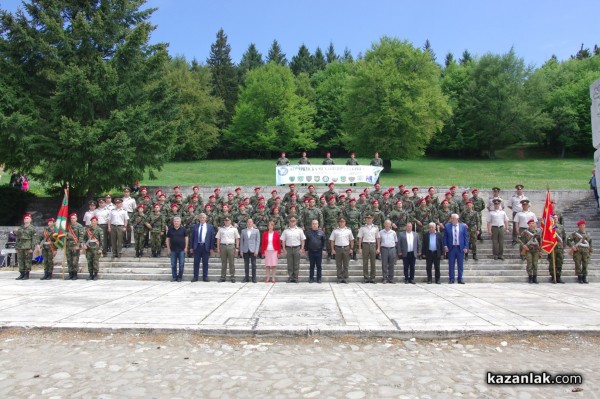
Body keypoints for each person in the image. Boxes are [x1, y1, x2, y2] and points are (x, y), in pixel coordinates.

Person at [442, 214, 469, 284]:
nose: (451, 219)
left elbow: (466, 237)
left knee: (460, 265)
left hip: (460, 248)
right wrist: (445, 246)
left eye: (453, 218)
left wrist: (466, 247)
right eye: (451, 218)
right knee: (451, 264)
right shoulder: (447, 226)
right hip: (451, 248)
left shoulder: (463, 226)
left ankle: (460, 278)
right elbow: (445, 237)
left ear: (457, 219)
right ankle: (451, 279)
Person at [190, 213, 215, 282]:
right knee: (196, 262)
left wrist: (211, 248)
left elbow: (212, 238)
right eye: (201, 217)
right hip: (197, 246)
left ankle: (205, 277)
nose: (202, 219)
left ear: (206, 218)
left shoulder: (210, 227)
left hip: (205, 246)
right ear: (199, 218)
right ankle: (195, 277)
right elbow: (192, 237)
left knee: (205, 262)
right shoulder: (195, 226)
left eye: (203, 217)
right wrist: (191, 247)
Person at [281, 216, 306, 283]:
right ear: (289, 221)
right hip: (288, 248)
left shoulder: (300, 230)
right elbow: (283, 240)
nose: (292, 222)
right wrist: (284, 249)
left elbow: (303, 240)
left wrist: (302, 249)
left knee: (296, 263)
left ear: (296, 221)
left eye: (294, 221)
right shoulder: (285, 231)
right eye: (291, 221)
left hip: (297, 248)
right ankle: (290, 277)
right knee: (289, 263)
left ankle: (295, 277)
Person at [329, 217, 354, 284]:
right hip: (338, 248)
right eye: (340, 221)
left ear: (345, 222)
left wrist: (351, 248)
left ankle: (345, 278)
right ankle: (339, 278)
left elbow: (351, 240)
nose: (342, 222)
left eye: (343, 221)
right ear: (338, 222)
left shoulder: (348, 230)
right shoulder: (335, 230)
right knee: (338, 264)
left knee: (346, 264)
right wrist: (332, 249)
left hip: (346, 248)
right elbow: (332, 240)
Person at [215, 216, 240, 283]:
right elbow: (218, 239)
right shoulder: (221, 229)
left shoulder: (234, 229)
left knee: (231, 262)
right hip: (223, 246)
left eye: (228, 220)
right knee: (223, 263)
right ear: (224, 221)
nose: (227, 222)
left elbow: (237, 239)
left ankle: (232, 276)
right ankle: (223, 277)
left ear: (230, 221)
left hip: (231, 246)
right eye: (225, 221)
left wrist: (237, 248)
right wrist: (218, 248)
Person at [568, 219, 593, 284]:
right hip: (578, 252)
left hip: (586, 252)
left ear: (585, 226)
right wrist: (572, 246)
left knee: (585, 264)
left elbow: (590, 242)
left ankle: (584, 277)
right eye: (581, 225)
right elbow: (568, 240)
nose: (582, 226)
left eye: (583, 225)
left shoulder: (587, 234)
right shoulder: (575, 234)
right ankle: (579, 278)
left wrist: (591, 250)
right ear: (578, 226)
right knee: (578, 265)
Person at [358, 213, 380, 284]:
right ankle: (366, 278)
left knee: (373, 262)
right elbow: (360, 238)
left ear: (372, 219)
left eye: (370, 218)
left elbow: (377, 238)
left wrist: (378, 248)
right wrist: (360, 248)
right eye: (367, 218)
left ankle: (373, 278)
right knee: (365, 262)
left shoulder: (375, 228)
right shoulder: (362, 228)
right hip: (365, 245)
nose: (369, 220)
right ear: (366, 219)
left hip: (373, 245)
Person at [15, 213, 38, 280]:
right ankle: (21, 274)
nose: (26, 219)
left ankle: (26, 274)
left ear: (30, 219)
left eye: (27, 218)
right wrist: (16, 247)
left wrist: (32, 248)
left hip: (28, 246)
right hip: (20, 246)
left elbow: (34, 239)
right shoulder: (21, 228)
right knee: (20, 260)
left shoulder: (32, 228)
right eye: (25, 218)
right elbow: (18, 238)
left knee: (27, 260)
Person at [166, 216, 188, 282]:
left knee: (181, 264)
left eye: (178, 221)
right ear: (173, 222)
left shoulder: (183, 229)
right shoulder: (170, 230)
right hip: (173, 250)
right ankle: (174, 277)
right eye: (175, 221)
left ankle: (180, 277)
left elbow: (186, 238)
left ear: (180, 222)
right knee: (173, 264)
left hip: (181, 249)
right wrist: (168, 248)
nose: (176, 223)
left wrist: (186, 247)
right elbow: (167, 239)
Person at [519, 219, 542, 284]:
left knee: (535, 264)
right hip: (528, 250)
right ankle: (530, 277)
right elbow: (518, 239)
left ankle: (535, 277)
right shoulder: (525, 232)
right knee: (529, 263)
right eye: (530, 223)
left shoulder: (538, 232)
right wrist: (523, 245)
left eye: (533, 223)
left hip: (536, 250)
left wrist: (540, 250)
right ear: (528, 225)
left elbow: (540, 241)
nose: (532, 224)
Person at [305, 219, 326, 283]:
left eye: (316, 224)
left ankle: (319, 279)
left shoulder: (321, 233)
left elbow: (324, 241)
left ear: (318, 224)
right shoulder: (308, 232)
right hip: (311, 251)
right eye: (313, 224)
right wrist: (306, 250)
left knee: (319, 266)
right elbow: (306, 242)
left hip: (319, 251)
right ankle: (311, 278)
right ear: (311, 225)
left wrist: (324, 249)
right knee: (311, 266)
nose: (314, 225)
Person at [82, 216, 103, 281]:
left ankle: (96, 274)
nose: (93, 222)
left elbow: (102, 240)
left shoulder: (99, 229)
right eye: (92, 221)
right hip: (89, 248)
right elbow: (83, 239)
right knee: (89, 261)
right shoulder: (87, 230)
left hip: (96, 248)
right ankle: (90, 274)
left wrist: (100, 249)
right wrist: (84, 245)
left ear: (97, 222)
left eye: (94, 221)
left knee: (95, 261)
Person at [240, 219, 260, 283]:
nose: (249, 223)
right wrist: (241, 251)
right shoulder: (243, 231)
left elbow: (258, 241)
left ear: (252, 223)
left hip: (253, 250)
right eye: (248, 222)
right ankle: (246, 278)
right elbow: (241, 242)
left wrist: (256, 250)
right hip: (245, 250)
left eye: (250, 222)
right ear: (246, 223)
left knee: (253, 264)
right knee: (246, 265)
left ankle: (254, 278)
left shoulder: (256, 231)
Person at [65, 213, 84, 280]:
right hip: (68, 245)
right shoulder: (67, 226)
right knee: (69, 260)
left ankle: (75, 274)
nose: (72, 219)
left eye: (74, 218)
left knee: (75, 260)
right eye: (71, 218)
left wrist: (78, 245)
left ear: (76, 219)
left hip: (75, 245)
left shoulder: (79, 226)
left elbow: (81, 237)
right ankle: (70, 274)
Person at [548, 214, 566, 284]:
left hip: (559, 247)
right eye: (553, 218)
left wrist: (564, 247)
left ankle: (558, 277)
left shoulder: (561, 227)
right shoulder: (549, 227)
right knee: (552, 262)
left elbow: (564, 238)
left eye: (556, 218)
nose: (555, 219)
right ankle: (553, 277)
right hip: (552, 247)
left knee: (559, 262)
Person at [379, 219, 398, 284]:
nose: (387, 225)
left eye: (389, 224)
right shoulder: (381, 232)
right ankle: (384, 278)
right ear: (384, 224)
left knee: (391, 264)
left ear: (390, 225)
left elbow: (395, 241)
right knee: (384, 264)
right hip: (384, 249)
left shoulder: (393, 232)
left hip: (392, 249)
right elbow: (379, 241)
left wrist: (392, 248)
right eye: (386, 224)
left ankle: (391, 278)